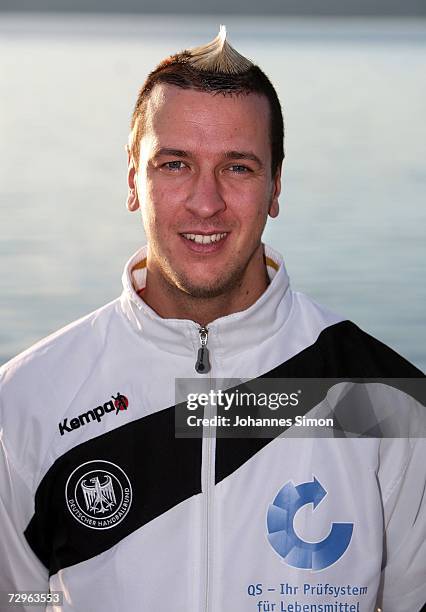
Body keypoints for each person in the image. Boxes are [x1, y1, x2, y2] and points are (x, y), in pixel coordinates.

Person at [0, 26, 424, 612]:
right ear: (132, 179)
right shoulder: (26, 398)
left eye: (238, 168)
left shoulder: (388, 397)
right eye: (174, 164)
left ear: (276, 185)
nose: (206, 203)